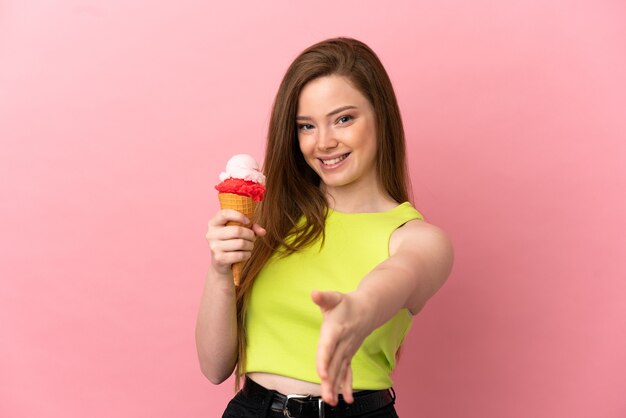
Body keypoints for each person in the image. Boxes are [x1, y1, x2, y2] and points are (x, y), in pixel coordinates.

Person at [196, 37, 454, 418]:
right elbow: (214, 366)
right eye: (306, 126)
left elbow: (399, 276)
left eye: (344, 118)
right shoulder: (272, 224)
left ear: (381, 116)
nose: (324, 143)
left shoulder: (419, 240)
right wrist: (220, 270)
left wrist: (359, 309)